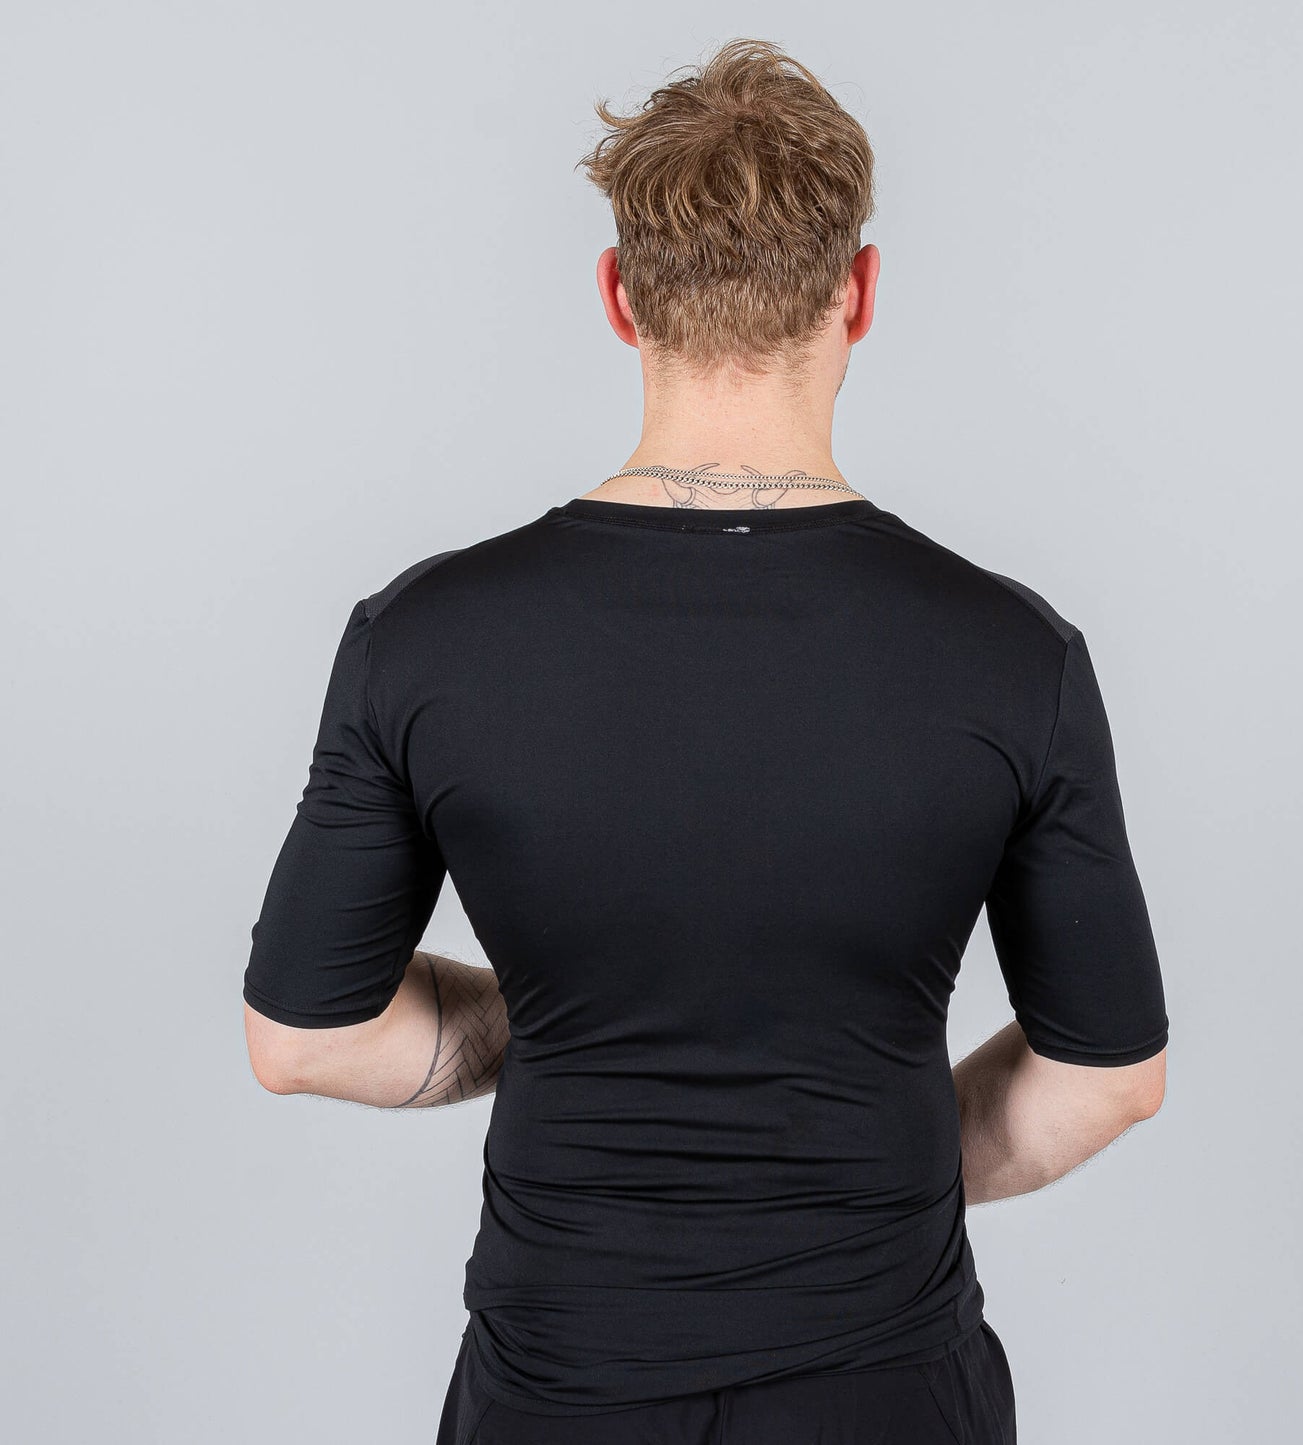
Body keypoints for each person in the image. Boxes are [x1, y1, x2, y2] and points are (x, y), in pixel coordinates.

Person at [241, 37, 1169, 1445]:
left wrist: (552, 1019)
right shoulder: (1012, 653)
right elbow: (1109, 1077)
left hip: (559, 1395)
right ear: (858, 293)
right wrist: (871, 1179)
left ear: (620, 296)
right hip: (888, 1394)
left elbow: (302, 1038)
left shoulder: (424, 638)